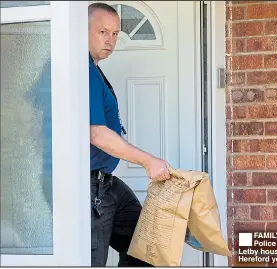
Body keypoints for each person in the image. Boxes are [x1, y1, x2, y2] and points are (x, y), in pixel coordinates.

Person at [88, 3, 171, 267]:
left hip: (106, 183)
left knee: (146, 245)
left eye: (115, 34)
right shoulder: (83, 71)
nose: (110, 40)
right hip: (89, 189)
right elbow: (97, 134)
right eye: (102, 31)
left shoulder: (94, 68)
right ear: (82, 30)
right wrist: (148, 161)